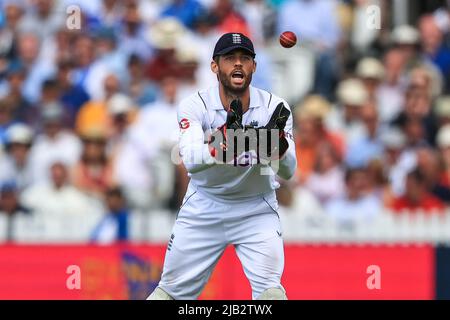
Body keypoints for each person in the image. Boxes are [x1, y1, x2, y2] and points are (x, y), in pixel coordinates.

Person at [147, 33, 297, 300]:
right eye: (229, 58)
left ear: (254, 66)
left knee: (272, 295)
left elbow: (288, 171)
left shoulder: (276, 107)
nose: (237, 64)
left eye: (244, 59)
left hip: (256, 208)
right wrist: (223, 144)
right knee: (167, 296)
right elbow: (191, 159)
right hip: (204, 206)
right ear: (215, 66)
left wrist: (277, 150)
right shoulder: (195, 105)